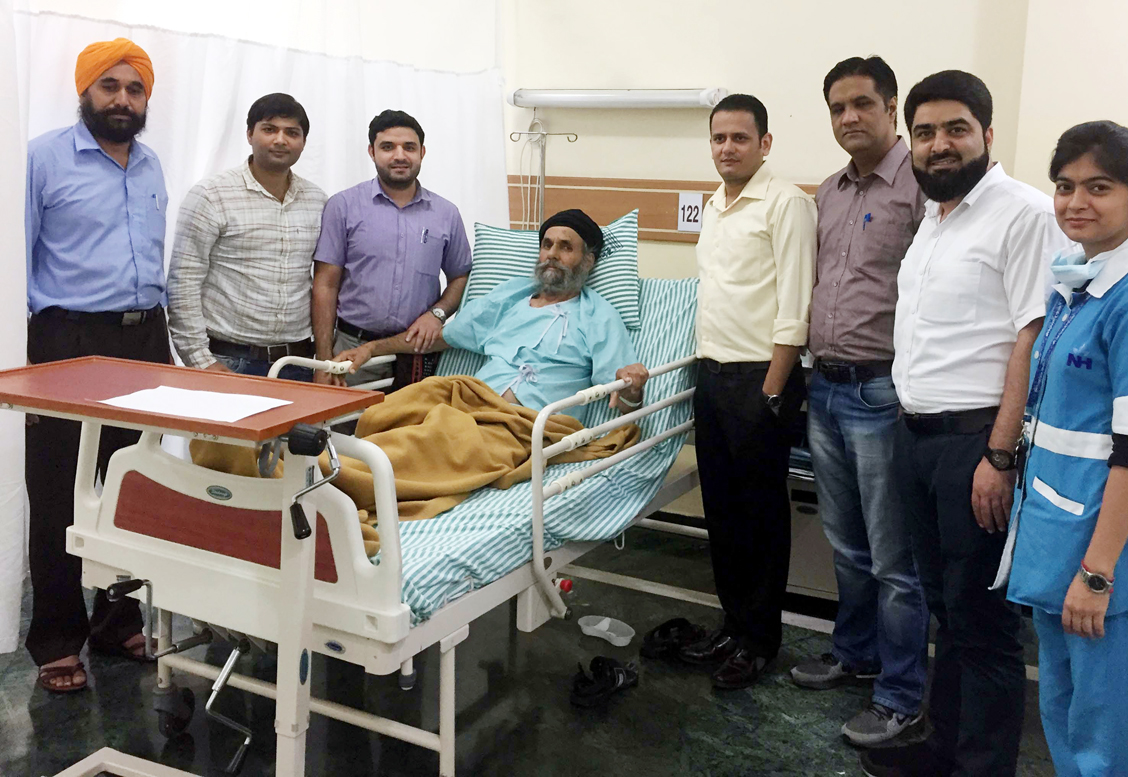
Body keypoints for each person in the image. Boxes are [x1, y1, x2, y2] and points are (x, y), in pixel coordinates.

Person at [861, 71, 1071, 777]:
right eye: (924, 133)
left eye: (955, 129)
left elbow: (1031, 337)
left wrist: (1000, 455)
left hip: (975, 444)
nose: (938, 144)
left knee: (983, 627)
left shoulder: (1024, 213)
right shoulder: (936, 215)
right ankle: (940, 749)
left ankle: (981, 767)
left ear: (987, 133)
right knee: (947, 613)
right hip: (914, 437)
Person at [1001, 121, 1128, 777]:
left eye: (1099, 187)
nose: (1075, 201)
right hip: (1063, 538)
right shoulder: (1078, 284)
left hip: (1108, 559)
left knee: (1106, 743)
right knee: (1065, 715)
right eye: (1064, 185)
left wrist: (1098, 573)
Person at [789, 56, 928, 747]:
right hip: (826, 385)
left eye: (862, 104)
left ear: (892, 107)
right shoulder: (828, 191)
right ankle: (855, 652)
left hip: (883, 389)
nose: (849, 118)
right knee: (845, 540)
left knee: (894, 557)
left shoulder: (921, 190)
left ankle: (902, 692)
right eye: (838, 107)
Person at [24, 38, 171, 692]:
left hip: (144, 339)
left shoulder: (151, 165)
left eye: (133, 88)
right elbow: (14, 262)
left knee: (132, 484)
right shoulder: (40, 159)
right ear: (85, 90)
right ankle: (58, 637)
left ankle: (118, 622)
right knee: (59, 489)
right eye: (109, 86)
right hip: (68, 341)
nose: (122, 99)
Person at [678, 94, 815, 690]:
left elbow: (795, 306)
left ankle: (760, 642)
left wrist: (771, 392)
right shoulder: (714, 204)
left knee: (760, 518)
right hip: (713, 376)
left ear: (764, 143)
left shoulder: (786, 204)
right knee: (723, 514)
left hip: (762, 378)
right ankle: (733, 625)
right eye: (718, 139)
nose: (726, 148)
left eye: (739, 138)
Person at [333, 208, 647, 418]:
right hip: (467, 403)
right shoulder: (511, 297)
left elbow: (625, 399)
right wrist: (371, 348)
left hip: (526, 426)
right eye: (547, 244)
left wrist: (634, 387)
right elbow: (441, 338)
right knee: (383, 416)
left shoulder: (599, 316)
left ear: (588, 261)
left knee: (414, 453)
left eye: (566, 247)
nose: (551, 254)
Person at [167, 93, 326, 380]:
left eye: (292, 133)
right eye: (269, 129)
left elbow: (324, 283)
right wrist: (202, 363)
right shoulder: (211, 196)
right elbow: (183, 284)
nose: (281, 140)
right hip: (229, 362)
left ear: (303, 142)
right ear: (249, 134)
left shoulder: (318, 201)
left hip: (299, 363)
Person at [313, 110, 471, 390]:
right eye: (388, 147)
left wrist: (437, 314)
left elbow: (460, 275)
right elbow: (325, 285)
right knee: (344, 431)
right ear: (372, 152)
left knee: (410, 431)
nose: (400, 156)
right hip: (351, 352)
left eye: (409, 147)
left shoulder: (446, 213)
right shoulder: (344, 206)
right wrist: (324, 361)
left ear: (422, 152)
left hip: (416, 352)